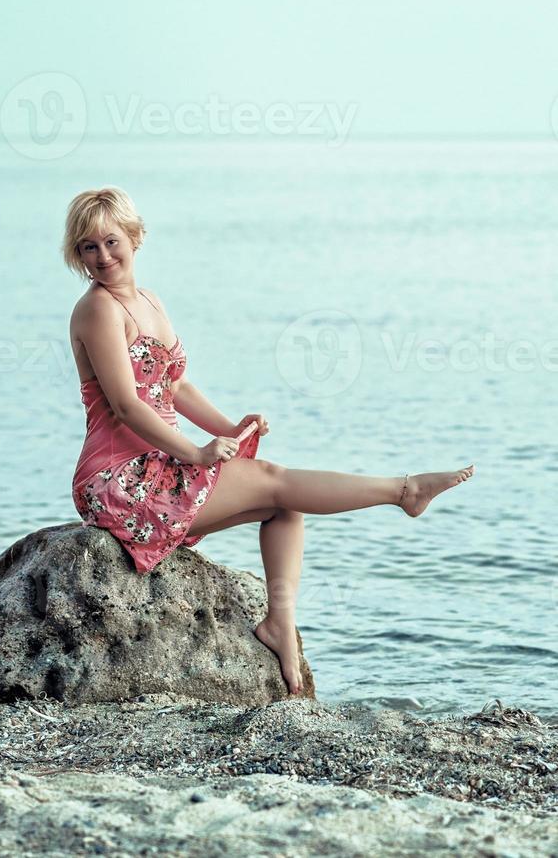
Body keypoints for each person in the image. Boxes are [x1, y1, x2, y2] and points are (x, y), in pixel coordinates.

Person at [64, 186, 475, 697]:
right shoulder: (97, 310)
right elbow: (127, 405)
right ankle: (403, 491)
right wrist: (195, 452)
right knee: (276, 482)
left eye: (111, 241)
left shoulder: (149, 301)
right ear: (77, 254)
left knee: (285, 504)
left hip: (159, 461)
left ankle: (279, 624)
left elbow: (174, 387)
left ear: (135, 236)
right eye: (88, 247)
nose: (103, 256)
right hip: (118, 480)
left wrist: (226, 429)